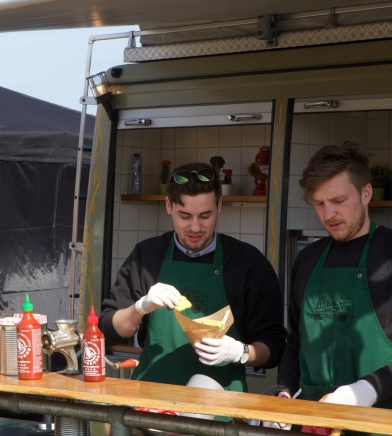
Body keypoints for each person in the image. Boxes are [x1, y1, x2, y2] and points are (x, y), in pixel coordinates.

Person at [100, 162, 285, 391]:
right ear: (168, 206)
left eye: (205, 215)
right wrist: (140, 308)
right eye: (184, 216)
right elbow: (107, 331)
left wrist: (241, 352)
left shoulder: (248, 263)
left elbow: (274, 346)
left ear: (219, 205)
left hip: (220, 409)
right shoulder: (146, 257)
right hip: (151, 400)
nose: (195, 227)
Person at [267, 142, 392, 429]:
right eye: (320, 203)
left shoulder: (388, 254)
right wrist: (285, 392)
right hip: (314, 421)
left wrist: (367, 390)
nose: (328, 214)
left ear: (366, 193)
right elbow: (295, 341)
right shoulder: (308, 259)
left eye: (338, 201)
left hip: (380, 422)